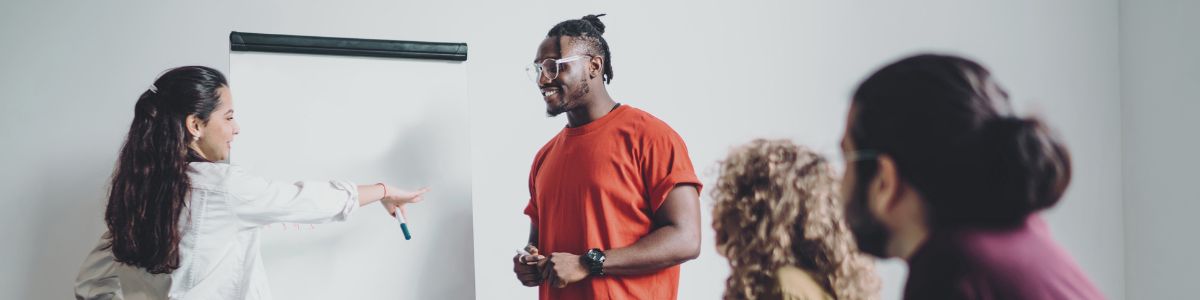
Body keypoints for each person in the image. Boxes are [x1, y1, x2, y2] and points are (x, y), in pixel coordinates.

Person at [74, 66, 430, 300]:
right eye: (228, 117)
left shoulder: (135, 193)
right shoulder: (220, 188)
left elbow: (90, 285)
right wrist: (383, 190)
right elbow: (305, 201)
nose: (236, 128)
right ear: (195, 126)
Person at [838, 54, 1104, 299]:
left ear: (885, 180)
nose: (839, 183)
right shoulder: (1029, 237)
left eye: (846, 159)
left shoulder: (949, 273)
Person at [511, 14, 703, 300]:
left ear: (594, 66)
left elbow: (686, 238)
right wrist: (529, 261)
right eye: (538, 68)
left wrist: (588, 262)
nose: (542, 79)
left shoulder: (650, 137)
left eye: (553, 67)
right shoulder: (544, 157)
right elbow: (537, 244)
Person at [711, 139, 880, 300]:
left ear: (756, 210)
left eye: (734, 199)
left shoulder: (782, 286)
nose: (721, 211)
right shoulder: (818, 284)